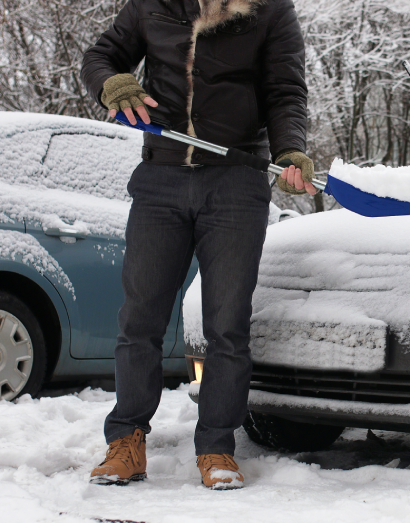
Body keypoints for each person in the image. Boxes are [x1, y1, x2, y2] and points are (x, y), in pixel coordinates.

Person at [81, 0, 316, 490]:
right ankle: (126, 441)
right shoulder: (152, 5)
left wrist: (290, 150)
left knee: (227, 325)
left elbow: (285, 90)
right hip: (161, 176)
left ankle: (215, 446)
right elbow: (101, 56)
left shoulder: (270, 10)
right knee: (139, 319)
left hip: (236, 181)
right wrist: (112, 83)